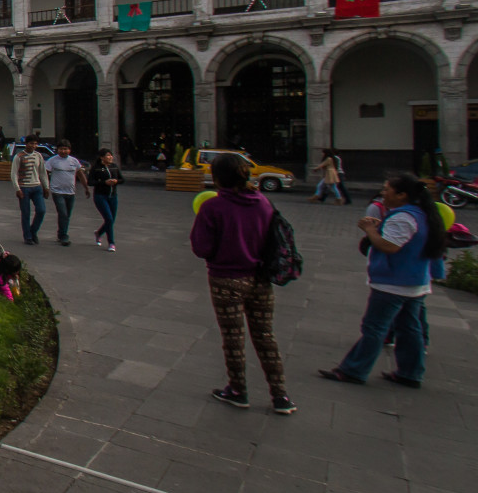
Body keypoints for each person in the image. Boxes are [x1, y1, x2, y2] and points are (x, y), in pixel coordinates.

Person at [190, 153, 296, 414]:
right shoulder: (263, 202)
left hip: (226, 279)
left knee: (233, 337)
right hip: (260, 279)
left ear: (216, 177)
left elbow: (201, 247)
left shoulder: (213, 207)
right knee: (265, 335)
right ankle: (280, 396)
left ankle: (238, 390)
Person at [319, 174, 446, 389]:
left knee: (375, 328)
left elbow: (389, 246)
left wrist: (369, 231)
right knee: (409, 328)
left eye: (387, 189)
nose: (383, 193)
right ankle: (410, 372)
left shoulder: (403, 217)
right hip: (415, 283)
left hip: (393, 283)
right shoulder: (422, 214)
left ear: (402, 195)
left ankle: (354, 369)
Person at [46, 140, 88, 246]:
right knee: (63, 213)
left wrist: (86, 188)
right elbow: (45, 174)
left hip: (70, 193)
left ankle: (60, 233)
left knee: (66, 215)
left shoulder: (74, 161)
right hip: (57, 191)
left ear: (69, 150)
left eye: (65, 149)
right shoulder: (52, 161)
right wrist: (45, 187)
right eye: (61, 149)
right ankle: (64, 236)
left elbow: (80, 174)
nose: (63, 151)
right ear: (57, 150)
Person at [10, 134, 49, 245]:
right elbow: (14, 174)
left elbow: (42, 172)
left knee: (41, 210)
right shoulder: (19, 156)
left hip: (37, 187)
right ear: (26, 144)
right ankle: (27, 236)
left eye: (36, 143)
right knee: (26, 213)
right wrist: (17, 189)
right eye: (31, 143)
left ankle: (33, 231)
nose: (34, 146)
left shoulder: (38, 156)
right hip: (24, 187)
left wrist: (46, 187)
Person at [89, 148, 123, 251]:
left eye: (111, 155)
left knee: (111, 220)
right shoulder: (96, 168)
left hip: (113, 196)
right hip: (100, 196)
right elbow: (90, 182)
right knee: (108, 218)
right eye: (108, 155)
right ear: (102, 157)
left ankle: (99, 233)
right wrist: (104, 182)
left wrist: (116, 181)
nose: (110, 157)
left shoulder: (114, 167)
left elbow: (122, 179)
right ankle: (111, 243)